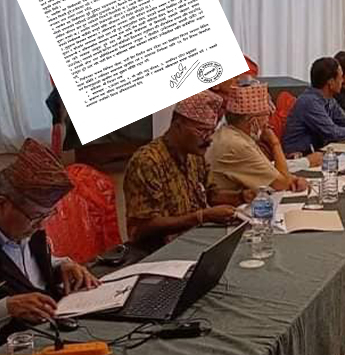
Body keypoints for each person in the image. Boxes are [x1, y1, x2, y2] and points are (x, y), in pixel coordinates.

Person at [0, 139, 99, 340]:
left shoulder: (28, 231)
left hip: (50, 326)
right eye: (35, 217)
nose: (40, 226)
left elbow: (26, 264)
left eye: (47, 216)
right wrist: (7, 307)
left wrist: (61, 265)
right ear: (3, 204)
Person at [124, 92, 241, 254]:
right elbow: (142, 227)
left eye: (211, 132)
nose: (209, 140)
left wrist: (243, 196)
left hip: (194, 240)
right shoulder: (148, 161)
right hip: (157, 252)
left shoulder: (195, 156)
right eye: (202, 131)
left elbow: (212, 195)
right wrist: (201, 217)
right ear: (178, 125)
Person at [207, 84, 308, 195]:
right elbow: (282, 184)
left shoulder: (233, 134)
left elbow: (274, 173)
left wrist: (292, 179)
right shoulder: (237, 145)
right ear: (253, 121)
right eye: (267, 115)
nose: (268, 122)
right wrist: (275, 143)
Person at [282, 57, 345, 155]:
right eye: (340, 77)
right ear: (331, 82)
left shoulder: (329, 99)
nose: (342, 81)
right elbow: (333, 133)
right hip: (299, 157)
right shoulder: (310, 102)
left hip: (316, 153)